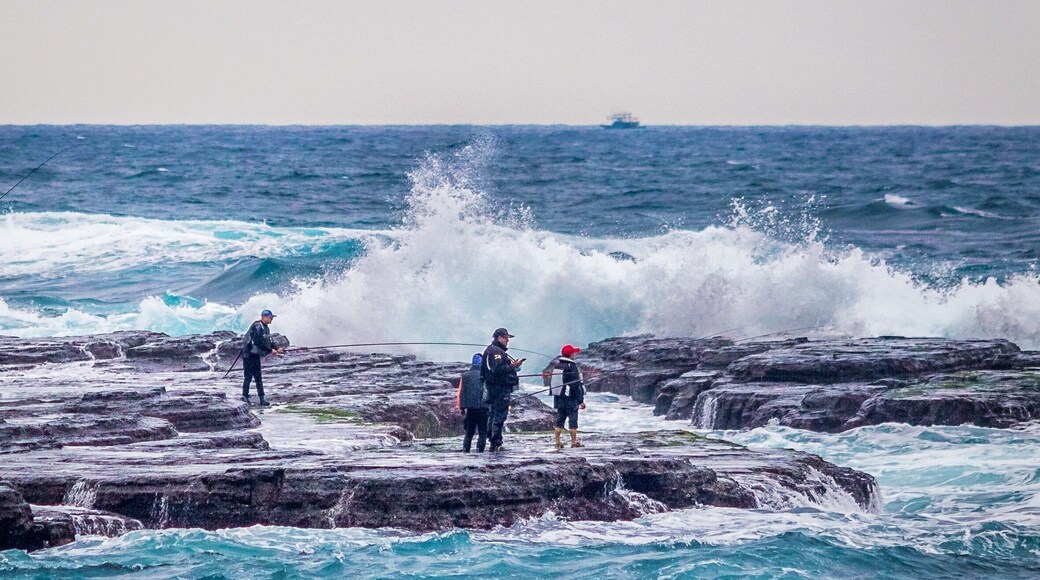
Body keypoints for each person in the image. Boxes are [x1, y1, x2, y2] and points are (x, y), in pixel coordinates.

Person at [482, 327, 524, 452]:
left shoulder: (493, 350)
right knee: (499, 415)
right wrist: (513, 366)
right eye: (506, 338)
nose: (507, 341)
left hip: (494, 388)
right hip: (499, 389)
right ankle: (496, 443)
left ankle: (492, 442)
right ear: (499, 338)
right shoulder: (496, 351)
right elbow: (497, 370)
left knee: (493, 414)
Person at [543, 344, 587, 449]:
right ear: (571, 354)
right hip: (571, 399)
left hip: (558, 399)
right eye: (574, 353)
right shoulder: (572, 366)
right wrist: (581, 400)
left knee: (559, 422)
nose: (574, 355)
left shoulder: (557, 366)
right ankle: (573, 442)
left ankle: (557, 442)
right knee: (573, 422)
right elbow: (576, 385)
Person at [241, 309, 283, 407]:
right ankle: (245, 397)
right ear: (264, 317)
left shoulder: (266, 328)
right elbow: (258, 341)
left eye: (272, 318)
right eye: (270, 317)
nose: (271, 319)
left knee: (258, 377)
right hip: (248, 354)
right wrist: (270, 350)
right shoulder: (257, 326)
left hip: (256, 355)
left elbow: (268, 341)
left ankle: (262, 399)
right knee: (248, 377)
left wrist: (276, 348)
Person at [456, 353, 489, 452]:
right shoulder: (486, 375)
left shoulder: (465, 375)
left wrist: (462, 407)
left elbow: (462, 392)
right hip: (483, 408)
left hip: (470, 409)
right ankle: (480, 452)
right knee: (483, 432)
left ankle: (466, 451)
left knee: (469, 433)